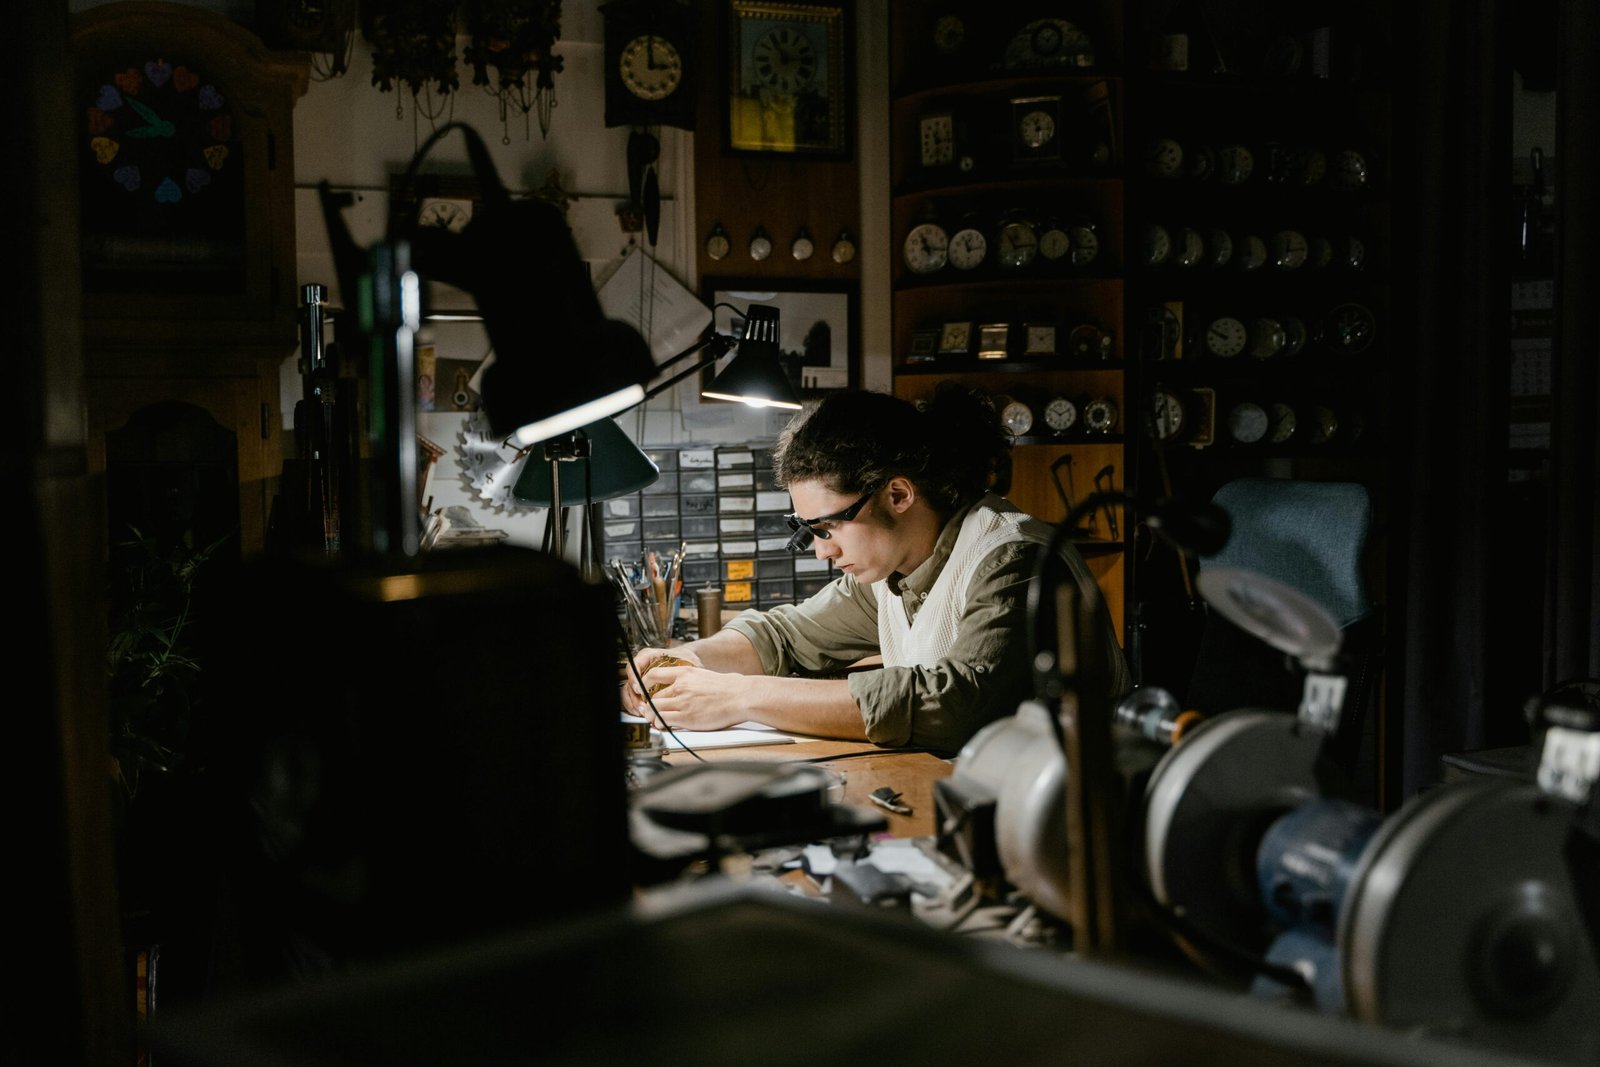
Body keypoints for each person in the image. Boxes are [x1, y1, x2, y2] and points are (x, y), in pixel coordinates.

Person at [621, 384, 1132, 754]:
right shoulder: (891, 573)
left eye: (827, 528)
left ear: (898, 493)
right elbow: (786, 635)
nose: (821, 551)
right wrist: (682, 659)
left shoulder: (1015, 559)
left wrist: (741, 696)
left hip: (1073, 822)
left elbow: (951, 706)